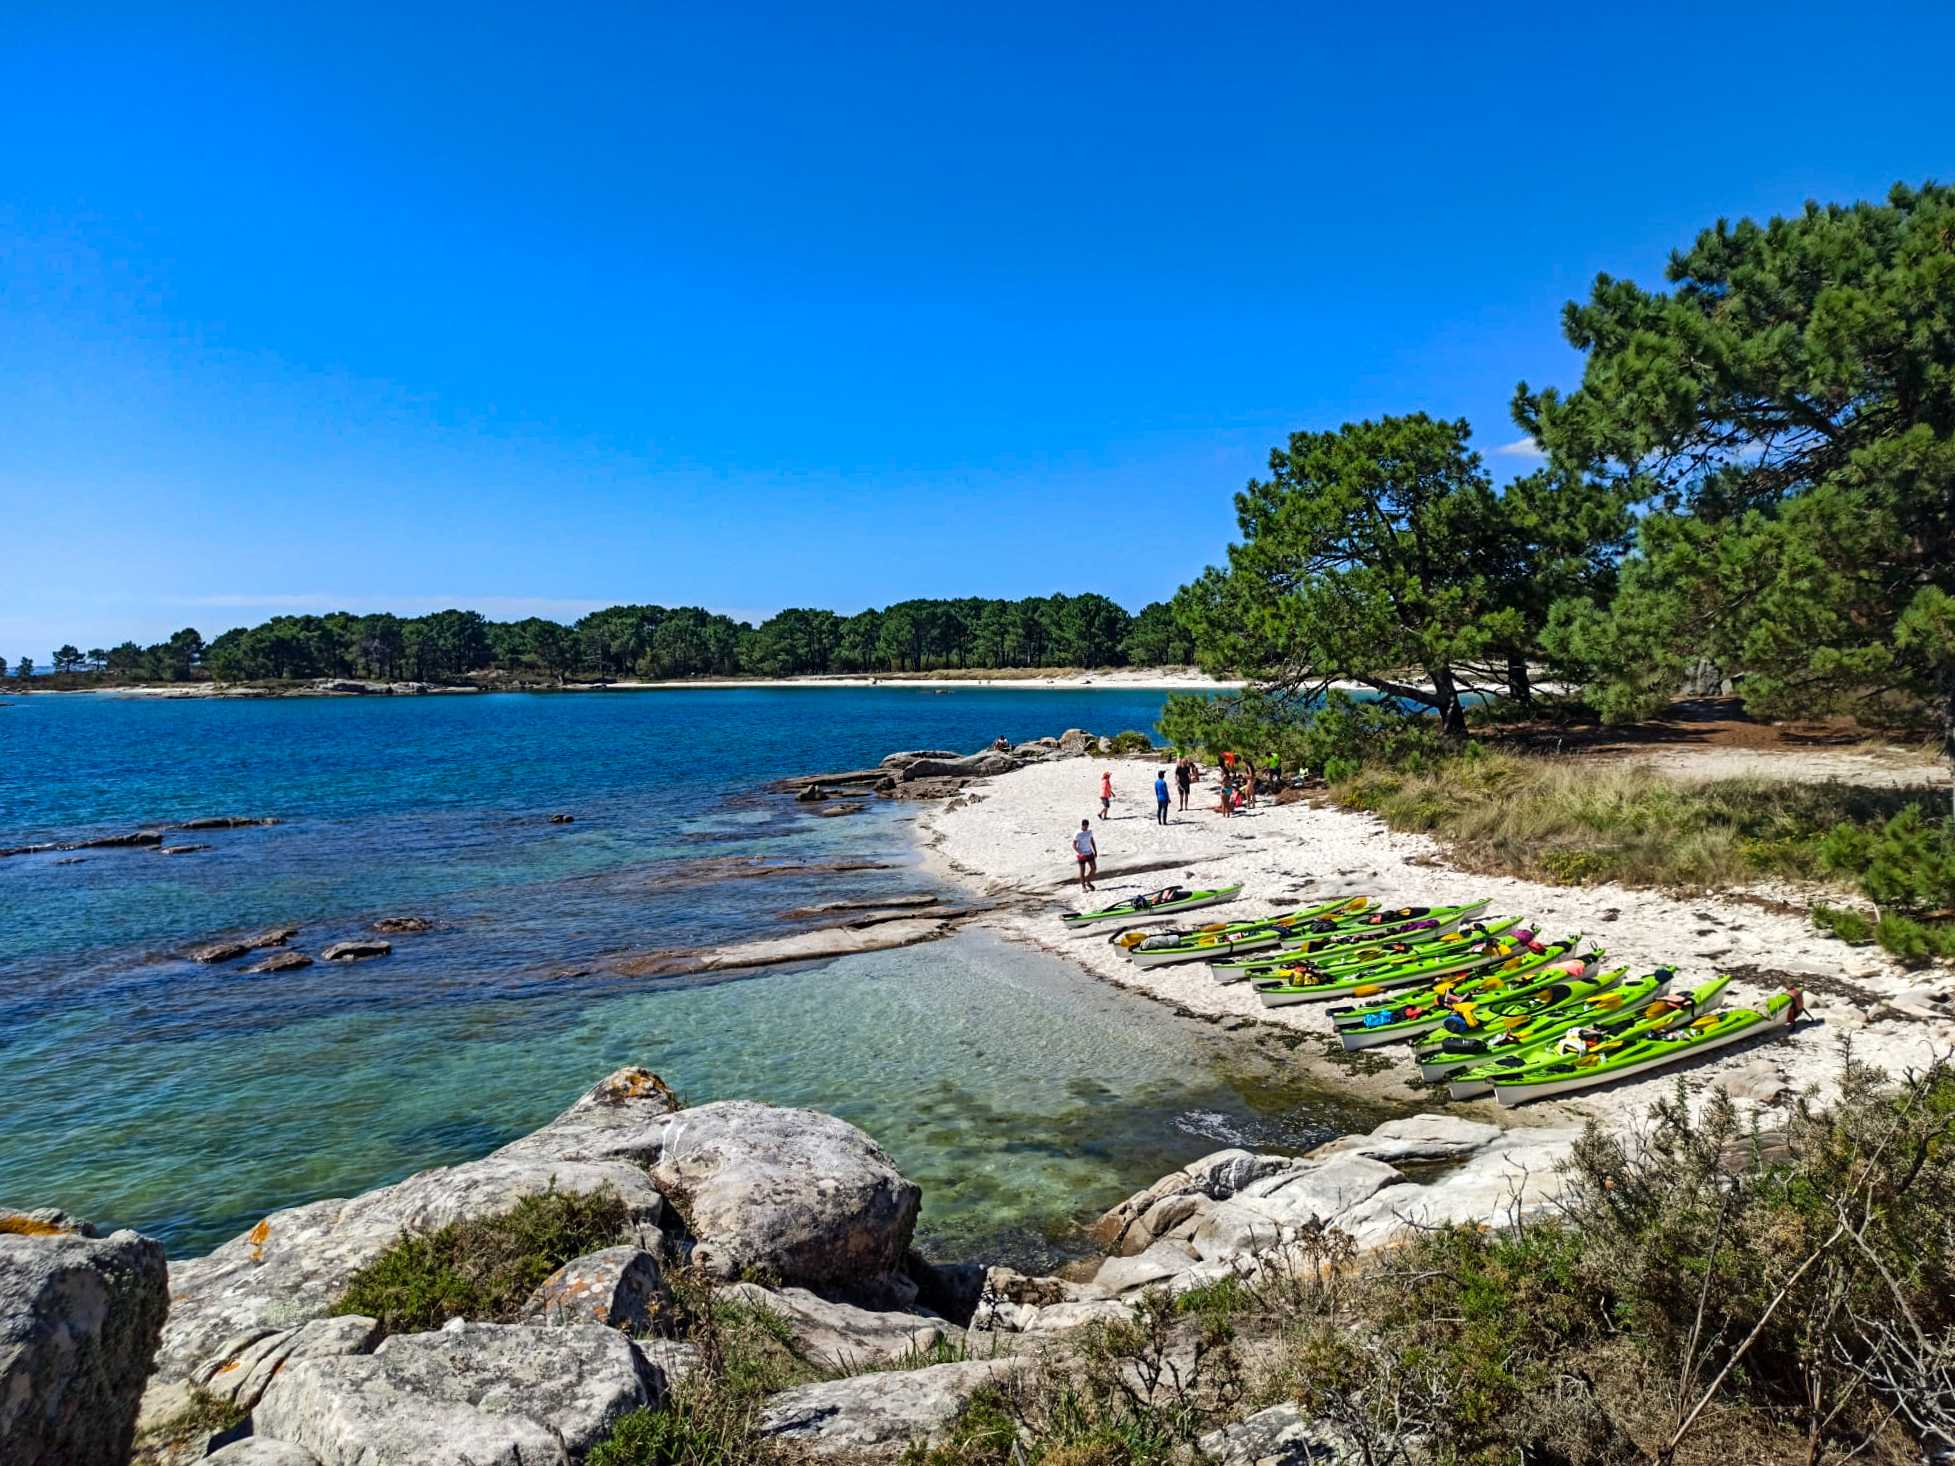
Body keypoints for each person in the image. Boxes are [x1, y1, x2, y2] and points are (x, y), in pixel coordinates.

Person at [1072, 819, 1099, 891]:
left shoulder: (1089, 832)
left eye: (1087, 826)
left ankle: (1088, 881)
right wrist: (1080, 852)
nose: (1086, 828)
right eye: (1085, 826)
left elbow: (1092, 841)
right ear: (1082, 825)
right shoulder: (1078, 833)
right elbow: (1074, 845)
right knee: (1082, 871)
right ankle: (1083, 886)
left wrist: (1095, 851)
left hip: (1089, 852)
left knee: (1094, 868)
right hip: (1082, 854)